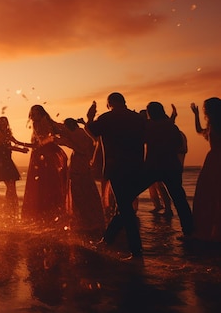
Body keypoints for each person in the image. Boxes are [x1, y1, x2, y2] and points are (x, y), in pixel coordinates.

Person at [85, 94, 146, 259]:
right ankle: (107, 240)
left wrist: (90, 117)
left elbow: (91, 132)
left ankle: (136, 249)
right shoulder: (137, 118)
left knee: (125, 208)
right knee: (124, 205)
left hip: (116, 167)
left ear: (109, 103)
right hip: (136, 166)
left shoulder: (107, 117)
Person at [136, 102, 193, 238]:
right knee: (179, 199)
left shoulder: (148, 126)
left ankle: (119, 231)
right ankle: (189, 230)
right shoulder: (172, 126)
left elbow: (140, 139)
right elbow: (178, 144)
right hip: (172, 166)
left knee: (130, 194)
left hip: (153, 166)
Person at [57, 118, 105, 236]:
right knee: (87, 191)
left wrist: (66, 142)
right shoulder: (82, 133)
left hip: (80, 164)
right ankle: (91, 220)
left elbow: (82, 148)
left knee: (79, 193)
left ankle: (85, 222)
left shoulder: (78, 134)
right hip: (83, 164)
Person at [21, 105, 68, 223]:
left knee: (46, 184)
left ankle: (47, 213)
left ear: (41, 114)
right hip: (40, 156)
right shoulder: (40, 123)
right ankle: (48, 213)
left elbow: (45, 140)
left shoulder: (42, 122)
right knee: (44, 185)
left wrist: (18, 142)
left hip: (45, 156)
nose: (34, 116)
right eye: (33, 113)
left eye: (36, 113)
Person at [190, 97, 221, 242]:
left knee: (210, 195)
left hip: (215, 160)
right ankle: (207, 229)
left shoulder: (217, 124)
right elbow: (199, 130)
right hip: (212, 160)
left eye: (205, 108)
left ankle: (211, 231)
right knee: (207, 195)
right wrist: (195, 115)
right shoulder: (211, 124)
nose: (205, 111)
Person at [0, 116, 28, 216]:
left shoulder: (8, 133)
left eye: (5, 122)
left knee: (12, 187)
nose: (3, 124)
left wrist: (31, 145)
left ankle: (12, 208)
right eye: (1, 123)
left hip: (7, 160)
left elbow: (17, 142)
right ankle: (8, 208)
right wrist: (21, 150)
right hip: (1, 161)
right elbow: (6, 147)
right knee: (9, 186)